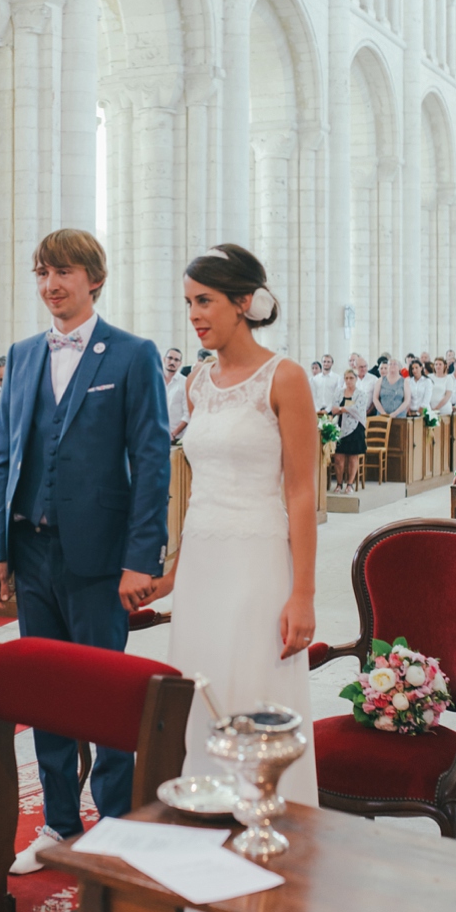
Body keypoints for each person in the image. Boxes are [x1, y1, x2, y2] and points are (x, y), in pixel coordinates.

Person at [0, 229, 170, 873]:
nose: (50, 284)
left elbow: (152, 461)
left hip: (100, 558)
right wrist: (2, 549)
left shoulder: (132, 354)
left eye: (62, 271)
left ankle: (116, 825)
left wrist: (142, 558)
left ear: (94, 278)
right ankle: (59, 824)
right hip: (32, 551)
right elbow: (6, 456)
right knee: (48, 695)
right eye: (41, 272)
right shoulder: (21, 355)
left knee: (105, 695)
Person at [150, 244, 317, 805]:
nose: (194, 315)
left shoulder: (284, 377)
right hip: (203, 564)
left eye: (205, 301)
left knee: (248, 686)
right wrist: (174, 573)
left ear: (243, 302)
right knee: (200, 689)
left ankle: (266, 816)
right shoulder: (196, 382)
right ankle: (205, 817)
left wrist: (303, 594)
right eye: (188, 303)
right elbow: (202, 489)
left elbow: (301, 492)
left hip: (256, 559)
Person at [331, 368, 368, 492]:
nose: (348, 381)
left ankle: (350, 484)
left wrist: (342, 409)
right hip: (340, 428)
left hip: (355, 428)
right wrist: (344, 409)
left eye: (351, 378)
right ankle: (339, 484)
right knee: (338, 458)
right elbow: (334, 409)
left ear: (356, 379)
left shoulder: (361, 394)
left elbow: (357, 409)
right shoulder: (338, 393)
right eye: (346, 378)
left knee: (352, 457)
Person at [163, 345, 189, 439]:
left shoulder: (185, 382)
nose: (172, 362)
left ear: (180, 363)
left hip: (176, 438)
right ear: (164, 359)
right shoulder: (155, 381)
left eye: (176, 360)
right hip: (156, 436)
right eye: (170, 358)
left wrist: (173, 434)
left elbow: (187, 414)